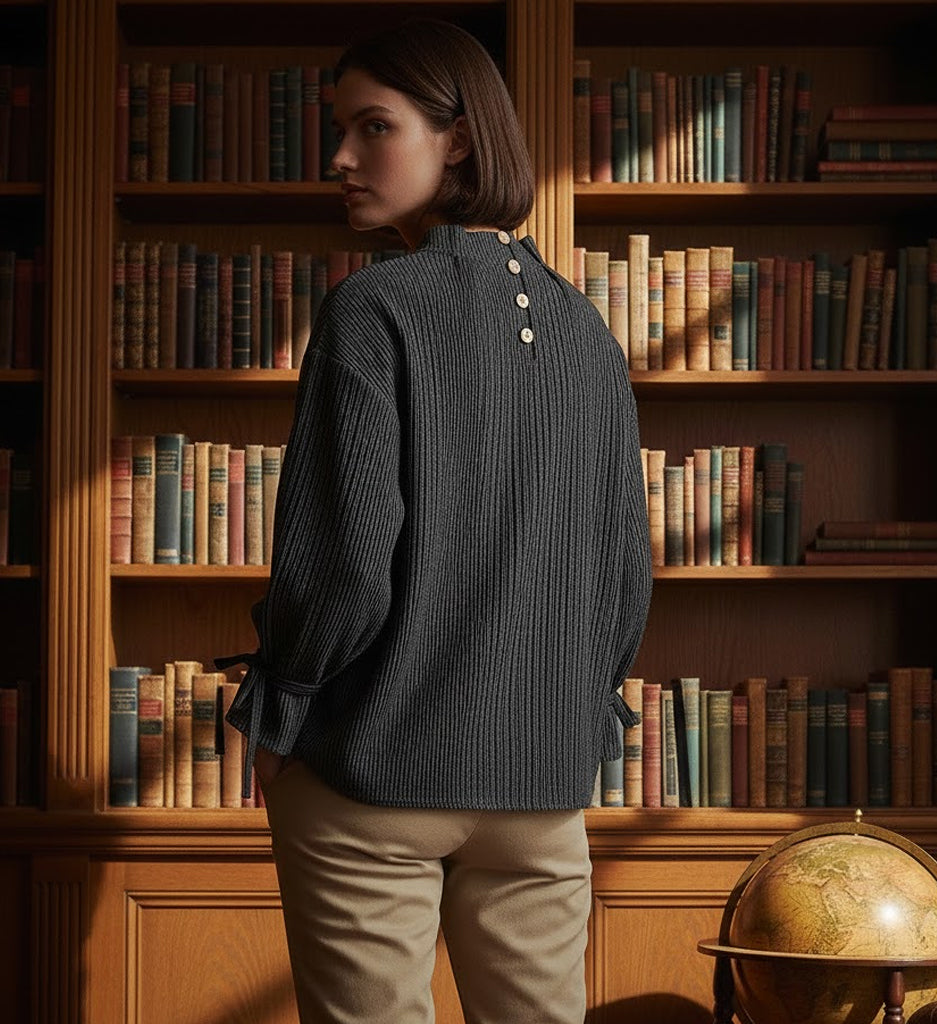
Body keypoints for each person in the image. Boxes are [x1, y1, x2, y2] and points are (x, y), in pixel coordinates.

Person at [215, 18, 651, 1024]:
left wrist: (279, 707)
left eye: (373, 127)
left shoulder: (376, 309)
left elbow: (344, 565)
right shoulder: (588, 331)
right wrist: (577, 716)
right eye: (340, 130)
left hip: (373, 766)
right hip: (540, 787)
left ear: (458, 139)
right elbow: (626, 576)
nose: (339, 157)